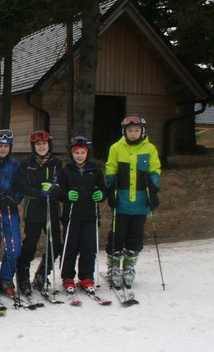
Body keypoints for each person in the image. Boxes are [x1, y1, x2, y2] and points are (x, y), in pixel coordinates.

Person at [104, 115, 161, 290]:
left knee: (135, 235)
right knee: (117, 234)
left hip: (140, 201)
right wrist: (110, 190)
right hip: (122, 200)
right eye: (130, 130)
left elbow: (155, 169)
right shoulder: (116, 148)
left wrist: (153, 189)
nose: (133, 133)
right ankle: (114, 266)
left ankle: (129, 266)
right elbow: (111, 169)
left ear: (142, 131)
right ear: (125, 131)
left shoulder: (150, 149)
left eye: (136, 130)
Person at [57, 136, 107, 295]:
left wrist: (101, 194)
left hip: (90, 216)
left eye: (82, 153)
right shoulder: (66, 171)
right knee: (70, 247)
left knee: (88, 248)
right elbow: (59, 191)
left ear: (87, 153)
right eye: (76, 153)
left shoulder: (95, 170)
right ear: (72, 154)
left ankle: (86, 277)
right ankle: (67, 277)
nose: (79, 156)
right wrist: (66, 195)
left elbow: (103, 188)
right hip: (72, 216)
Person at [16, 130, 63, 295]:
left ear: (49, 145)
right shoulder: (26, 163)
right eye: (38, 144)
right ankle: (22, 276)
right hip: (34, 210)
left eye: (44, 144)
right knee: (30, 244)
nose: (41, 147)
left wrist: (54, 188)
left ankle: (42, 273)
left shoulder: (56, 163)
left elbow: (61, 184)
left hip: (52, 210)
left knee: (55, 244)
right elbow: (22, 186)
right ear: (33, 146)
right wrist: (38, 192)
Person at [0, 129, 23, 297]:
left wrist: (13, 198)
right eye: (0, 146)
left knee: (14, 247)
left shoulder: (15, 165)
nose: (3, 149)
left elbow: (21, 186)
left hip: (9, 210)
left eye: (6, 146)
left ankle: (6, 278)